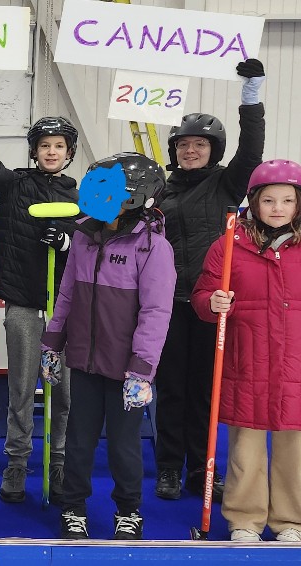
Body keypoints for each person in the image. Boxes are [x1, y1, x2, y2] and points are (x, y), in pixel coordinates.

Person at [0, 61, 80, 504]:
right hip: (25, 304)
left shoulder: (83, 197)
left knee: (64, 390)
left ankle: (60, 458)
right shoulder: (12, 186)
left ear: (69, 152)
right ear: (34, 151)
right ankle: (16, 462)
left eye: (59, 146)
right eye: (44, 145)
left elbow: (92, 251)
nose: (51, 152)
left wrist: (67, 243)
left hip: (67, 308)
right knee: (21, 387)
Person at [43, 153, 175, 541]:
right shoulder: (83, 237)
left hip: (126, 370)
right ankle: (73, 507)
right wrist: (52, 343)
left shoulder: (152, 247)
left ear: (136, 198)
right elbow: (67, 294)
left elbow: (156, 312)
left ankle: (128, 510)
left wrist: (142, 369)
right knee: (78, 441)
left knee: (123, 445)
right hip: (83, 361)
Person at [154, 58, 267, 502]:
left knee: (206, 391)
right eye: (184, 145)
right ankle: (167, 469)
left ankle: (204, 469)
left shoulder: (226, 184)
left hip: (209, 302)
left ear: (213, 150)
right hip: (167, 303)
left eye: (200, 145)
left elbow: (252, 151)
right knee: (171, 389)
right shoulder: (160, 191)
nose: (190, 151)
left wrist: (251, 93)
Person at [191, 159, 301, 543]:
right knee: (246, 449)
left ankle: (291, 521)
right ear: (254, 202)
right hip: (246, 359)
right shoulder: (229, 243)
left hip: (295, 363)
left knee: (294, 448)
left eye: (287, 201)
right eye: (269, 200)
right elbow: (202, 295)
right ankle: (244, 520)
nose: (278, 209)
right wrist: (212, 303)